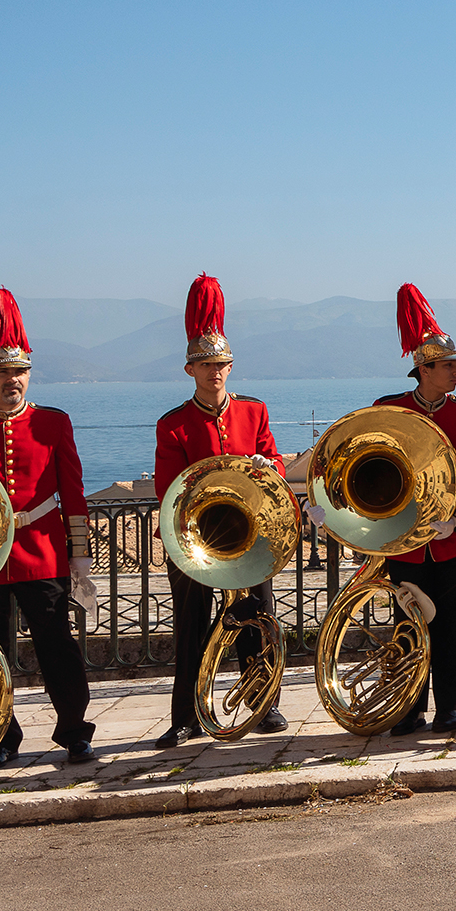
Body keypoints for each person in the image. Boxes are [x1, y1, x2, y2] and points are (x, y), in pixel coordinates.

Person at [152, 274, 289, 747]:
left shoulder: (254, 411)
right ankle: (185, 716)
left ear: (231, 368)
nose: (215, 372)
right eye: (206, 365)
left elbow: (273, 464)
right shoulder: (173, 424)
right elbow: (168, 488)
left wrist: (264, 465)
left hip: (250, 537)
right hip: (198, 541)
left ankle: (264, 702)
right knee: (190, 628)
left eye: (222, 365)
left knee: (258, 619)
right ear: (189, 369)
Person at [371, 284, 456, 735]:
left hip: (454, 541)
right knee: (407, 627)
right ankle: (408, 707)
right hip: (405, 543)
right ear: (424, 369)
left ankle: (448, 708)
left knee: (452, 627)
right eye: (450, 365)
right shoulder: (388, 409)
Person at [0, 289, 96, 766]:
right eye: (2, 371)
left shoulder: (53, 423)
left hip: (41, 551)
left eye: (20, 371)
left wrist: (78, 552)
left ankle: (75, 730)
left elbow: (72, 492)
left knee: (58, 646)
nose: (13, 380)